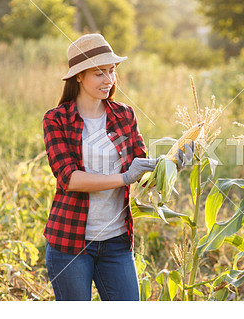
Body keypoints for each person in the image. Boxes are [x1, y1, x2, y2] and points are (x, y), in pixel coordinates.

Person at [42, 33, 194, 301]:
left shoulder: (124, 115)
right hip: (70, 243)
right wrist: (124, 177)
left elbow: (142, 174)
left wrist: (172, 164)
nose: (109, 80)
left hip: (116, 241)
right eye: (99, 73)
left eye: (112, 71)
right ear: (79, 76)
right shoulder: (56, 120)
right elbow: (70, 179)